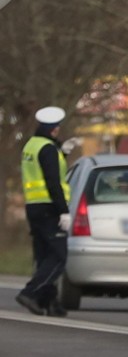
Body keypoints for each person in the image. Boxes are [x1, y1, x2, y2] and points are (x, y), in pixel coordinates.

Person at [15, 106, 71, 317]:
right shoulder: (47, 149)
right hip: (49, 208)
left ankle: (49, 302)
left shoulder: (31, 145)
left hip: (33, 206)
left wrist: (63, 152)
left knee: (44, 255)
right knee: (58, 257)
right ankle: (30, 293)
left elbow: (40, 170)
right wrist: (63, 211)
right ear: (54, 129)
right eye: (57, 128)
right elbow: (53, 181)